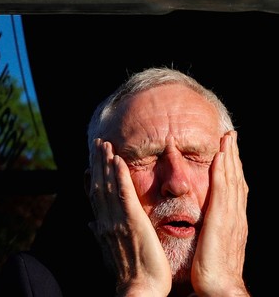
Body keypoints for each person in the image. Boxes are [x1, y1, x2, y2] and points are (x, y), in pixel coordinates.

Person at [84, 66, 251, 297]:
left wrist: (227, 289)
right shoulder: (31, 284)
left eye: (196, 156)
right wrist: (140, 288)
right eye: (146, 158)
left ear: (236, 177)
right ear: (97, 187)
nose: (177, 183)